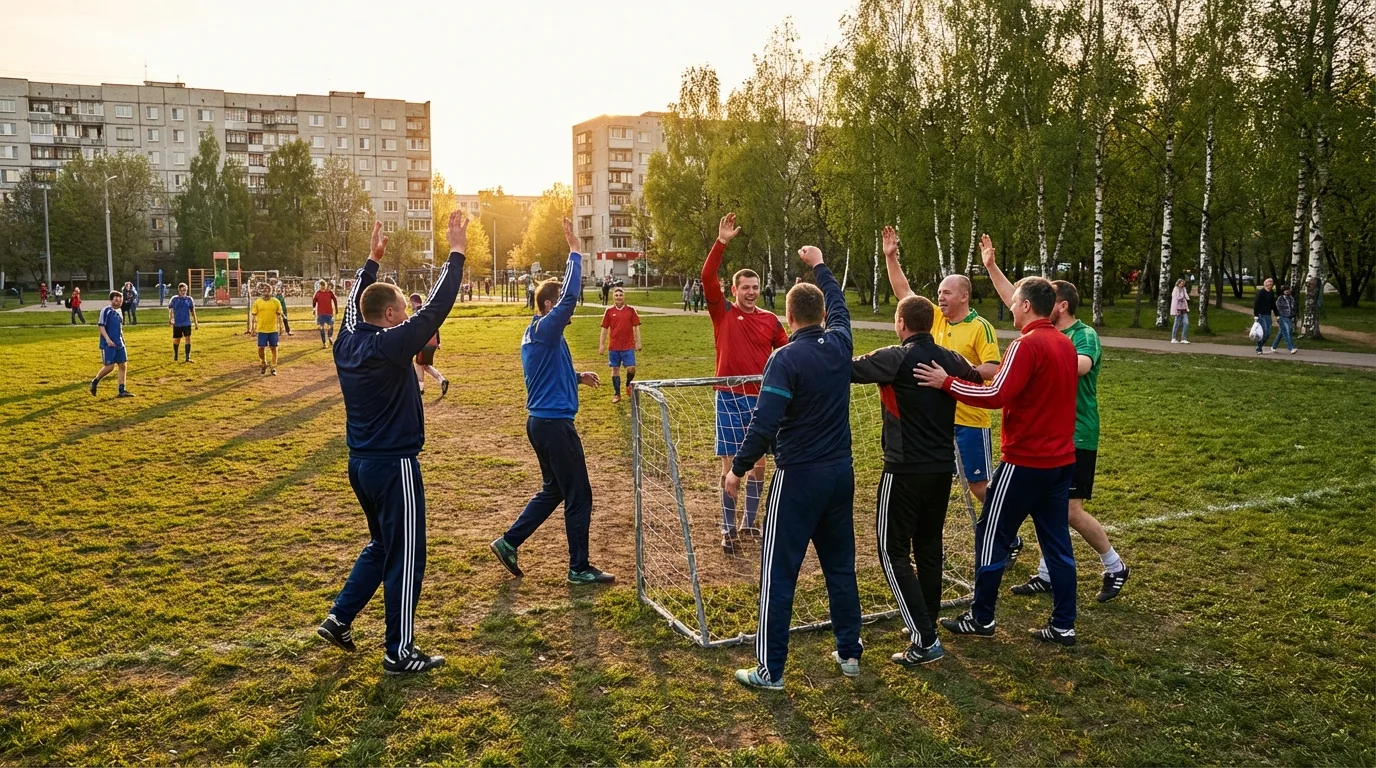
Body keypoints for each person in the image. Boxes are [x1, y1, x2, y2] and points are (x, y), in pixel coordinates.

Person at [316, 212, 468, 676]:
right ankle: (398, 651)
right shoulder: (388, 345)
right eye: (403, 309)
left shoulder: (346, 341)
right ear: (388, 316)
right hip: (393, 465)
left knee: (382, 544)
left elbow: (349, 307)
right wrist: (456, 253)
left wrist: (370, 263)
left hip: (360, 463)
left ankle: (339, 617)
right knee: (406, 554)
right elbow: (437, 309)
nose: (409, 315)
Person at [912, 260, 1080, 646]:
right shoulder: (1064, 343)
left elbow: (994, 394)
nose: (1011, 307)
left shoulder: (1026, 344)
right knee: (1056, 541)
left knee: (990, 532)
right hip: (1060, 461)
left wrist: (946, 382)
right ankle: (1064, 623)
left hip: (1025, 462)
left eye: (1015, 301)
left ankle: (982, 616)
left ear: (1025, 306)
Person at [728, 244, 860, 690]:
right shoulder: (841, 343)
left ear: (788, 319)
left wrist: (738, 468)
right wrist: (820, 265)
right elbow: (839, 305)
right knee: (841, 566)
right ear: (821, 315)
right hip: (841, 474)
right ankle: (849, 653)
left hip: (799, 477)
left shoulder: (783, 359)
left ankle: (770, 670)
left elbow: (765, 422)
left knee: (778, 571)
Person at [982, 246, 1130, 604]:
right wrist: (991, 266)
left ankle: (1115, 565)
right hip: (1051, 434)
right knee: (1049, 508)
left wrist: (1045, 350)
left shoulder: (1083, 335)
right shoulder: (1043, 333)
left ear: (1061, 305)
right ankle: (1049, 574)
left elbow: (1078, 366)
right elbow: (1019, 300)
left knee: (1067, 510)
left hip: (1077, 433)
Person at [850, 293, 984, 667]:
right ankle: (926, 625)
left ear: (901, 323)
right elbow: (976, 378)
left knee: (892, 551)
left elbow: (846, 369)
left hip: (904, 469)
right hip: (942, 469)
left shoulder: (894, 357)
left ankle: (924, 639)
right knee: (927, 548)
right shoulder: (951, 358)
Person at [489, 217, 615, 586]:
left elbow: (544, 376)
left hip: (541, 423)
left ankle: (509, 541)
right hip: (555, 426)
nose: (569, 310)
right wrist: (576, 254)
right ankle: (579, 567)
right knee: (580, 494)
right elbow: (571, 297)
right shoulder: (546, 329)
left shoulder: (537, 335)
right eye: (560, 304)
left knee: (556, 489)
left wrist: (577, 377)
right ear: (549, 304)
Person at [881, 227, 1002, 505]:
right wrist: (890, 257)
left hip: (969, 419)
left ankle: (1004, 530)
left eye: (947, 293)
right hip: (936, 420)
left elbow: (993, 369)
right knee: (938, 483)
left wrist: (953, 376)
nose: (941, 298)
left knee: (979, 484)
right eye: (938, 292)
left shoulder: (980, 327)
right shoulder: (935, 319)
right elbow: (905, 293)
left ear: (964, 296)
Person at [703, 213, 791, 551]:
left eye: (755, 288)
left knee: (759, 465)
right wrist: (721, 242)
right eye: (745, 288)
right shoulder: (722, 312)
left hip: (762, 402)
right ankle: (728, 529)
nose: (751, 292)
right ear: (734, 290)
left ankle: (749, 523)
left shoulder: (770, 320)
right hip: (728, 397)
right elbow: (707, 275)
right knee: (730, 466)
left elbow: (787, 352)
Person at [599, 287, 642, 404]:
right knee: (615, 369)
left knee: (631, 368)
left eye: (620, 295)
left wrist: (638, 342)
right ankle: (617, 394)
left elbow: (636, 326)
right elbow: (604, 329)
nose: (618, 297)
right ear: (613, 297)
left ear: (624, 297)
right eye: (616, 295)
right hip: (614, 346)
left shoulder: (631, 310)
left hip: (628, 345)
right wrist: (601, 345)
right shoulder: (609, 311)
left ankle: (628, 384)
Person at [90, 291, 133, 398]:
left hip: (119, 343)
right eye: (116, 299)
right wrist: (108, 339)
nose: (118, 302)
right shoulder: (106, 310)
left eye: (120, 300)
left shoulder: (119, 312)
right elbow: (101, 326)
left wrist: (122, 340)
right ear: (111, 300)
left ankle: (122, 390)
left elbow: (119, 328)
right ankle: (95, 381)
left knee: (123, 365)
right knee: (109, 367)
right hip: (108, 344)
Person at [409, 292, 449, 397]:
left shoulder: (417, 314)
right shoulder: (427, 311)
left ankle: (421, 388)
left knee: (418, 364)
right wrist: (438, 342)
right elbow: (436, 326)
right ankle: (441, 380)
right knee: (425, 365)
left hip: (423, 343)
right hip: (433, 342)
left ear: (413, 302)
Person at [250, 284, 285, 375]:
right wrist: (252, 328)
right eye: (264, 289)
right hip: (261, 329)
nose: (266, 290)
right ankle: (263, 362)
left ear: (271, 290)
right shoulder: (258, 302)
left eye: (268, 289)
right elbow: (253, 316)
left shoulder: (276, 301)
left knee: (274, 347)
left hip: (273, 329)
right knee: (261, 348)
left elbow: (279, 315)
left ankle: (273, 367)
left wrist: (281, 327)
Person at [168, 283, 199, 363]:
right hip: (177, 323)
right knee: (177, 339)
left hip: (186, 323)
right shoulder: (174, 299)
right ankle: (176, 355)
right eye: (181, 290)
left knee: (188, 338)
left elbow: (193, 311)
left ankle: (187, 357)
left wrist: (196, 322)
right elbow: (170, 309)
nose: (183, 292)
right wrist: (170, 319)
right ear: (179, 290)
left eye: (184, 290)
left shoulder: (189, 299)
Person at [1272, 284, 1299, 354]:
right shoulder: (1280, 299)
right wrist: (1278, 316)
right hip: (1282, 317)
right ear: (1283, 291)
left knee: (1281, 332)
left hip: (1289, 317)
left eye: (1288, 290)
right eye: (1286, 290)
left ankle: (1273, 346)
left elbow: (1294, 308)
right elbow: (1277, 308)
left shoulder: (1291, 298)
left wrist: (1295, 315)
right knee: (1287, 332)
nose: (1288, 292)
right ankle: (1291, 348)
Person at [1253, 277, 1277, 355]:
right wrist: (1256, 315)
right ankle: (1259, 347)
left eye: (1271, 282)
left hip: (1268, 315)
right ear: (1265, 284)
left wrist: (1277, 314)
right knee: (1264, 332)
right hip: (1261, 315)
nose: (1270, 284)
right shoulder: (1261, 292)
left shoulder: (1271, 293)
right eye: (1269, 282)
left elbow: (1273, 304)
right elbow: (1256, 304)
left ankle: (1260, 345)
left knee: (1268, 333)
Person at [313, 280, 339, 348]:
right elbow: (314, 301)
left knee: (331, 325)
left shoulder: (329, 292)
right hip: (321, 313)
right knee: (321, 328)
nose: (322, 288)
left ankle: (330, 337)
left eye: (323, 286)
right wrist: (313, 309)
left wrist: (336, 309)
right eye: (321, 286)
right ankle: (324, 343)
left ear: (325, 285)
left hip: (329, 313)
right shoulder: (317, 293)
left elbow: (335, 299)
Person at [1170, 278, 1191, 344]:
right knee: (1177, 323)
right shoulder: (1175, 289)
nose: (1182, 285)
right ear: (1178, 283)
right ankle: (1173, 338)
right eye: (1181, 284)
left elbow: (1186, 296)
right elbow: (1177, 298)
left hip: (1184, 308)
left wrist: (1186, 297)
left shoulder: (1184, 289)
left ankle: (1183, 338)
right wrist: (1182, 296)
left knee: (1186, 323)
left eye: (1183, 284)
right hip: (1177, 309)